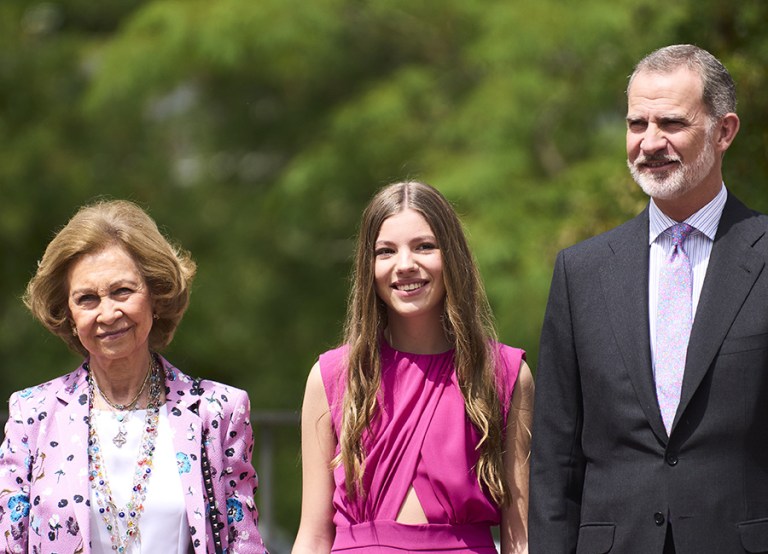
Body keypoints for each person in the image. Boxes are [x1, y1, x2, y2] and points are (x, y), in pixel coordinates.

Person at [528, 44, 768, 553]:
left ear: (724, 131)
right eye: (637, 124)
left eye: (672, 123)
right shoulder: (582, 271)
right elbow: (555, 459)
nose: (650, 142)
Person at [0, 200, 266, 553]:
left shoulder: (216, 412)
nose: (108, 313)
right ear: (68, 313)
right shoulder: (32, 414)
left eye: (122, 291)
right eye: (87, 299)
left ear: (156, 295)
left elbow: (242, 544)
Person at [292, 181, 534, 554]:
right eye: (386, 251)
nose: (405, 265)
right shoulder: (332, 377)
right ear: (368, 266)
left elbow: (520, 539)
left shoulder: (503, 372)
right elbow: (313, 536)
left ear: (451, 256)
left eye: (424, 246)